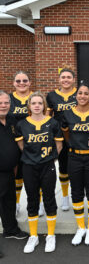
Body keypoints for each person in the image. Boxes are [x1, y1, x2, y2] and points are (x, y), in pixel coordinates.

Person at [15, 92, 63, 253]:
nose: (36, 106)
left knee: (49, 198)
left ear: (44, 105)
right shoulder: (22, 124)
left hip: (47, 165)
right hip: (29, 166)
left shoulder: (53, 123)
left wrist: (49, 159)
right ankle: (33, 236)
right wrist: (32, 158)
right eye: (33, 103)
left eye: (39, 103)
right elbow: (21, 145)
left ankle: (50, 235)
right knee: (32, 199)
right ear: (29, 106)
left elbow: (59, 146)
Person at [62, 83, 89, 246]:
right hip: (74, 157)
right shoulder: (68, 114)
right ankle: (81, 227)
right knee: (76, 191)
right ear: (76, 95)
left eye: (86, 94)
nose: (82, 96)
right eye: (80, 93)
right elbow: (66, 133)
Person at [0, 91, 29, 257]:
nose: (3, 106)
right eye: (0, 103)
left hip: (10, 170)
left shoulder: (12, 120)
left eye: (6, 103)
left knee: (9, 201)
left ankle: (10, 229)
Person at [9, 71, 40, 216]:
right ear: (14, 83)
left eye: (25, 80)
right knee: (17, 174)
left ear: (30, 82)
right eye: (18, 81)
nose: (22, 83)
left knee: (36, 172)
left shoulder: (36, 97)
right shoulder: (9, 99)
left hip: (34, 140)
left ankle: (38, 203)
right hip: (13, 140)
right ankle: (15, 203)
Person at [46, 67, 77, 212]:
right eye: (63, 77)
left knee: (76, 166)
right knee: (63, 166)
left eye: (68, 77)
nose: (66, 80)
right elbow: (47, 117)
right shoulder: (52, 96)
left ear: (73, 79)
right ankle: (65, 196)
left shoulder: (79, 93)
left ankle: (77, 194)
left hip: (78, 135)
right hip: (60, 136)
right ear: (59, 79)